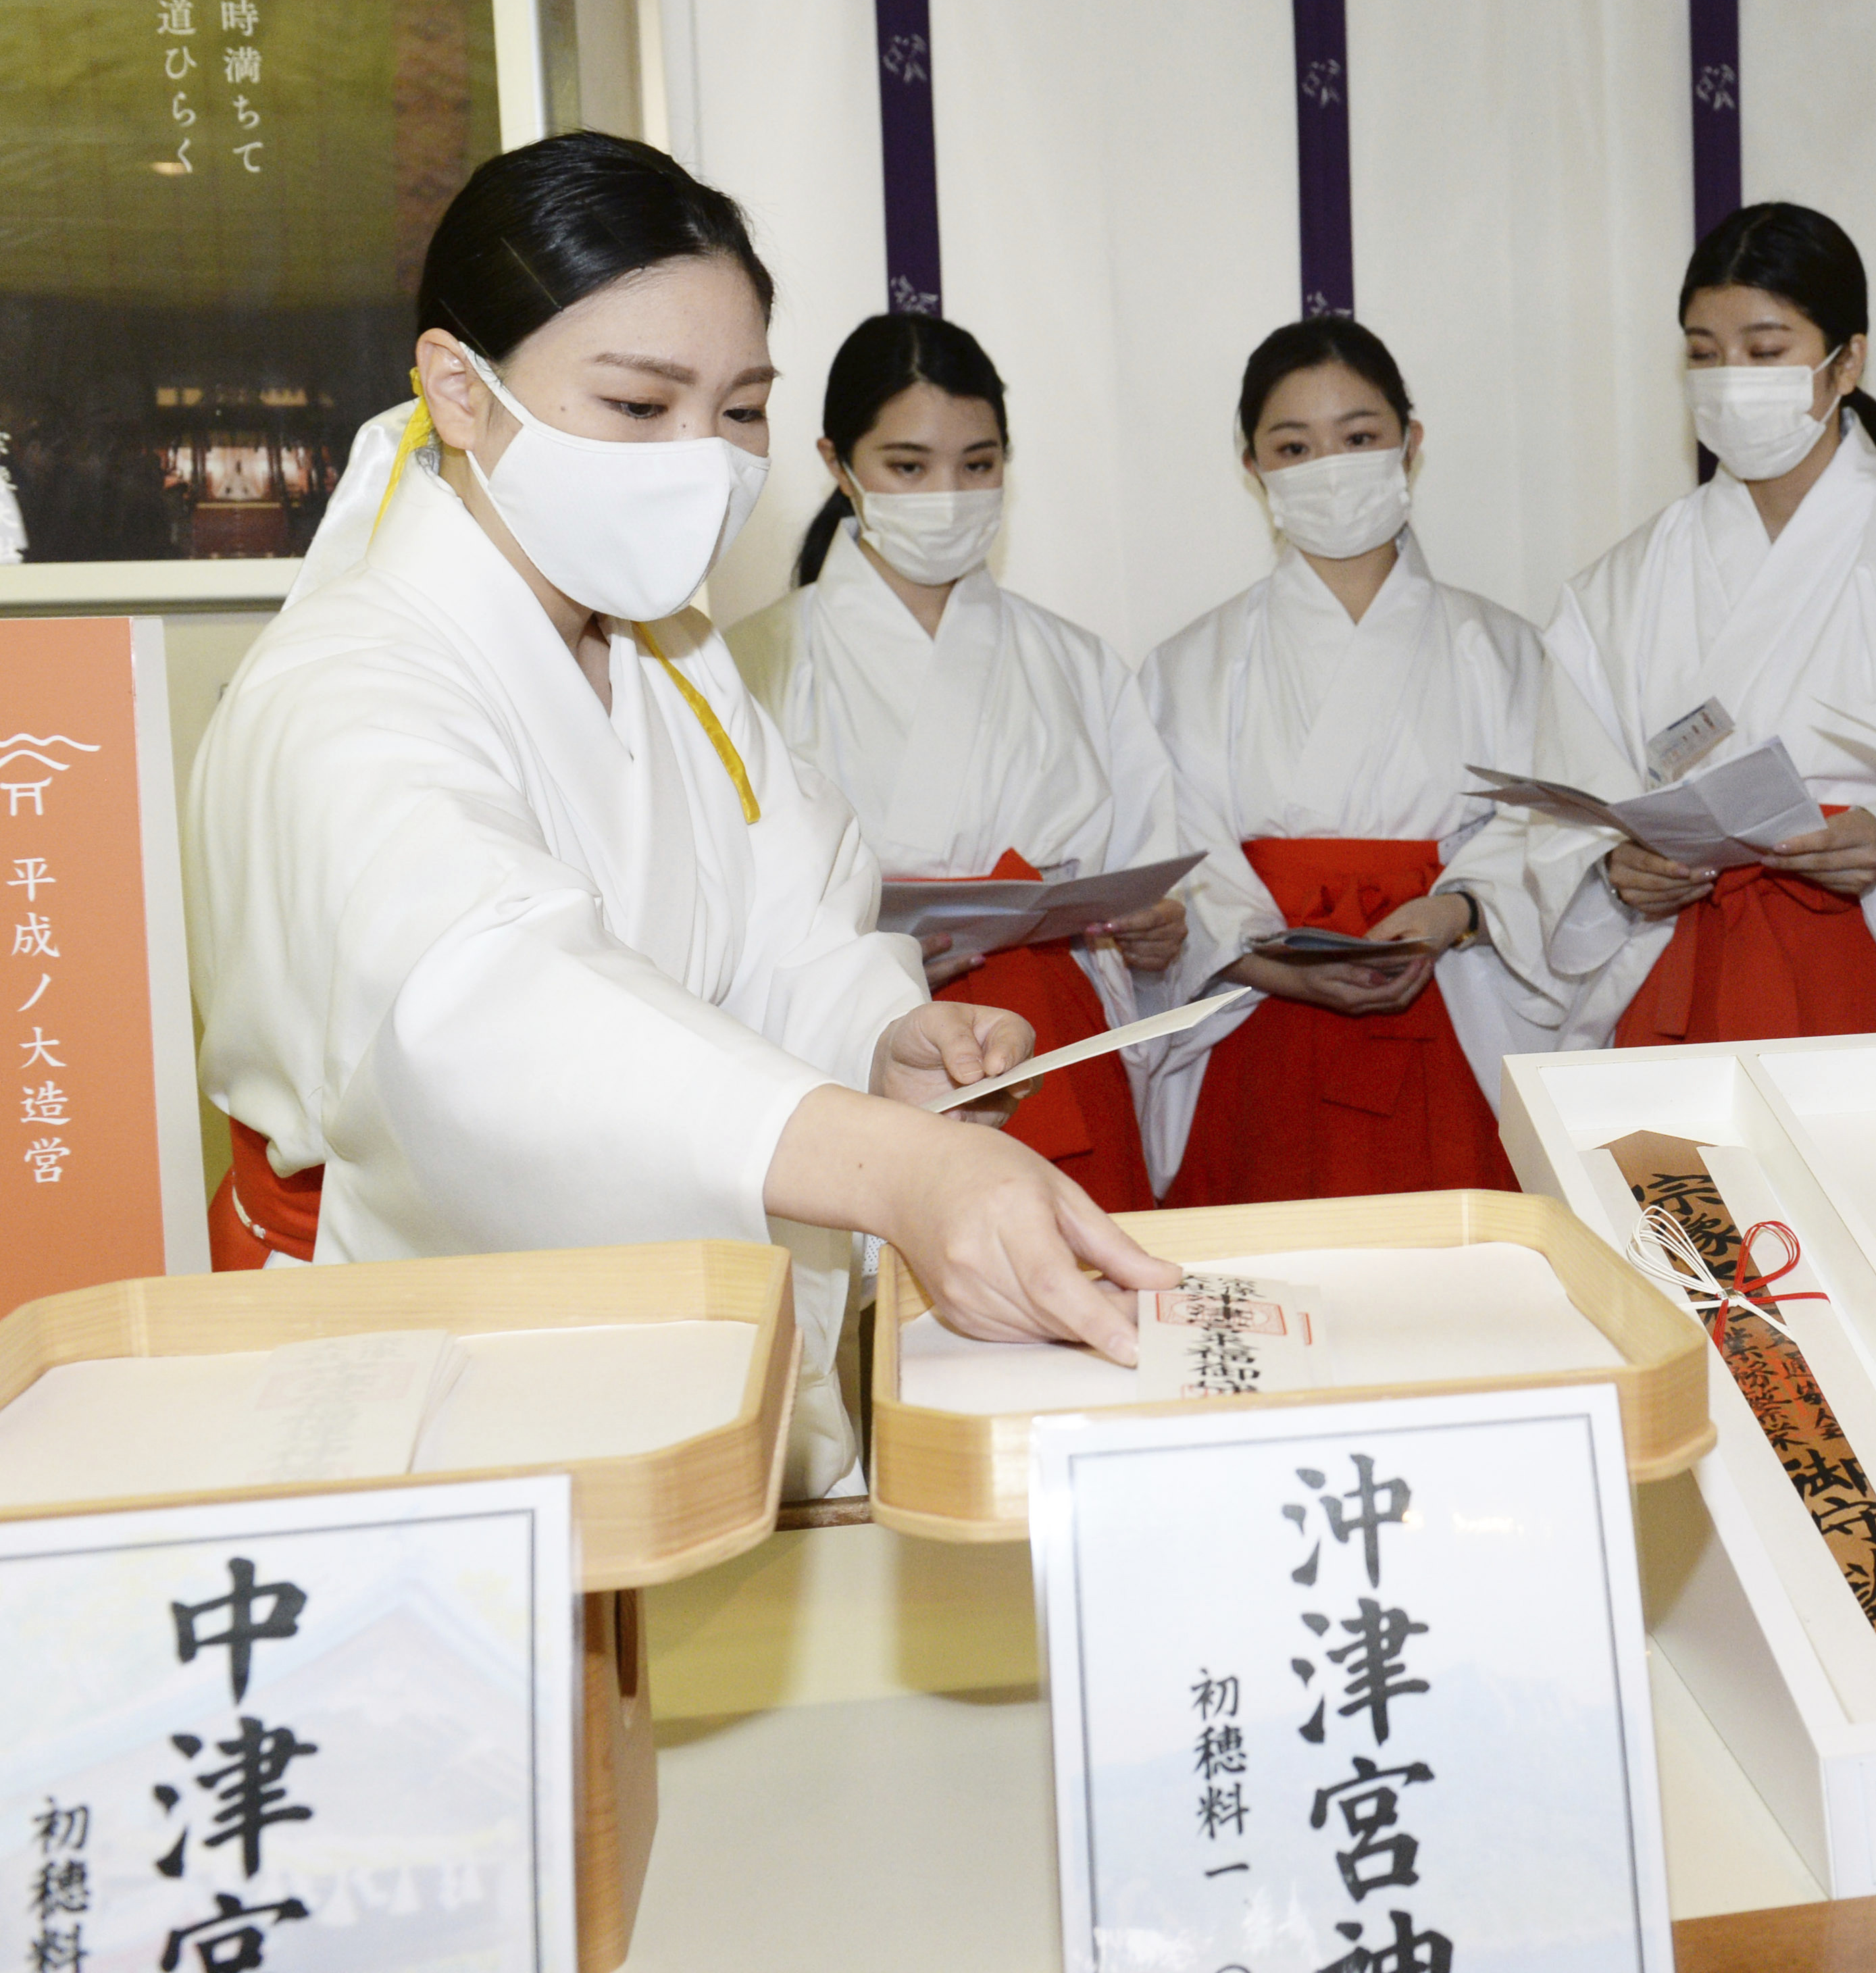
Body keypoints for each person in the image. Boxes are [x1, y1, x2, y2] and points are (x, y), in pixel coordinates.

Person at [185, 133, 1173, 1499]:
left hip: (649, 1322)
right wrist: (887, 1168)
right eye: (641, 407)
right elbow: (486, 1011)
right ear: (459, 392)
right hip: (419, 1355)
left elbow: (788, 905)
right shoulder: (343, 690)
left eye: (739, 410)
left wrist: (874, 1035)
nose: (703, 463)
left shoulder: (671, 648)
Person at [1521, 201, 1876, 1048]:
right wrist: (1613, 867)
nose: (1731, 377)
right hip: (1681, 966)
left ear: (1847, 361)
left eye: (1765, 350)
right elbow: (1569, 798)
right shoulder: (1619, 583)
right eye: (1705, 354)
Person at [730, 313, 1184, 1213]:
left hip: (1053, 1039)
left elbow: (1146, 865)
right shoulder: (756, 661)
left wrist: (1161, 934)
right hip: (862, 1049)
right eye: (909, 466)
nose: (948, 492)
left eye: (978, 466)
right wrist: (862, 965)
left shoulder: (1076, 661)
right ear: (837, 463)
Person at [1139, 317, 1554, 1204]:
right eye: (1294, 446)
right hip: (1260, 1018)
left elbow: (1550, 837)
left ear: (1411, 442)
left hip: (1449, 1004)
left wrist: (1457, 911)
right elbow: (1167, 853)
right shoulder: (1189, 666)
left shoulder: (1506, 650)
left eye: (1359, 438)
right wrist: (1259, 959)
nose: (1330, 467)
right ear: (1252, 468)